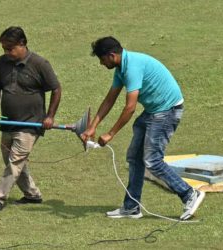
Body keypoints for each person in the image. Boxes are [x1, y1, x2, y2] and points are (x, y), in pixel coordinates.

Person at [81, 36, 205, 220]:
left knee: (153, 160)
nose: (101, 63)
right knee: (135, 157)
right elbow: (110, 99)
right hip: (153, 110)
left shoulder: (132, 68)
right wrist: (92, 127)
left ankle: (189, 194)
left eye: (101, 59)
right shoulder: (121, 68)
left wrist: (110, 133)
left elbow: (130, 108)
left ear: (112, 55)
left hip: (168, 110)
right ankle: (131, 207)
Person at [0, 26, 61, 211]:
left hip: (31, 123)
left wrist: (50, 116)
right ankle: (32, 194)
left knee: (16, 160)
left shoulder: (40, 63)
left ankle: (0, 197)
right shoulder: (1, 62)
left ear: (22, 44)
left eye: (10, 48)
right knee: (11, 160)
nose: (7, 52)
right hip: (8, 122)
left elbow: (56, 89)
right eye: (4, 49)